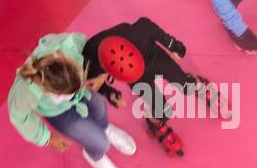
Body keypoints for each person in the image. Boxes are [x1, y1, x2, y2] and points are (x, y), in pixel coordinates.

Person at [8, 32, 136, 168]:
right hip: (57, 111)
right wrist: (46, 138)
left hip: (82, 88)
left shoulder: (72, 45)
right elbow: (19, 115)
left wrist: (102, 83)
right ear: (49, 90)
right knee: (100, 143)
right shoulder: (27, 89)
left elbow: (97, 54)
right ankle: (95, 156)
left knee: (99, 105)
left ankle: (104, 127)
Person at [83, 17, 218, 157]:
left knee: (185, 87)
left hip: (154, 57)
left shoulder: (135, 33)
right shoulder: (90, 60)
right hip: (137, 78)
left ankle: (193, 82)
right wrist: (109, 92)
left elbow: (147, 24)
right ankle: (155, 121)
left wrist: (173, 45)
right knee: (163, 111)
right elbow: (95, 83)